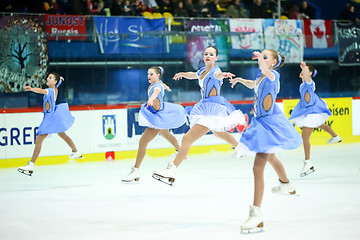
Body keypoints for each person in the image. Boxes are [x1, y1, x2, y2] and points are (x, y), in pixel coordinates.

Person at [229, 50, 302, 233]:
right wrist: (239, 80)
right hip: (261, 122)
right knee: (271, 158)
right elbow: (253, 83)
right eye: (261, 56)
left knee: (257, 166)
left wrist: (261, 59)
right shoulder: (261, 77)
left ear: (274, 62)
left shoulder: (273, 75)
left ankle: (256, 213)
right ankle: (286, 184)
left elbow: (265, 71)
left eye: (266, 56)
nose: (261, 59)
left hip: (268, 124)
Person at [153, 46, 247, 185]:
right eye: (206, 54)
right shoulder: (202, 71)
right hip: (205, 106)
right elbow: (194, 74)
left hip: (211, 108)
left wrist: (224, 75)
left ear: (216, 57)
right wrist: (184, 74)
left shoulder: (216, 70)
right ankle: (240, 148)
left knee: (187, 138)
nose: (208, 56)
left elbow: (218, 75)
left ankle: (172, 170)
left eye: (211, 54)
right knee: (218, 133)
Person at [122, 66, 186, 183]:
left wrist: (151, 98)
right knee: (166, 134)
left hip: (158, 117)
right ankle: (181, 152)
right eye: (148, 74)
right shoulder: (159, 82)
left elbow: (156, 91)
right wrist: (165, 86)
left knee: (143, 142)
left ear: (157, 75)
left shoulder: (156, 86)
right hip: (160, 113)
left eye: (151, 74)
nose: (148, 76)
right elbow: (161, 85)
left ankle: (135, 170)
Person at [18, 73, 82, 176]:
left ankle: (31, 164)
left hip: (50, 118)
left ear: (54, 81)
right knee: (62, 134)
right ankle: (76, 151)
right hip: (53, 116)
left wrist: (31, 89)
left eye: (50, 77)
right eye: (48, 77)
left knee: (39, 139)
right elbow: (59, 82)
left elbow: (41, 91)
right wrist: (61, 79)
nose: (47, 78)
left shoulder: (50, 90)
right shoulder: (55, 87)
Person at [289, 62, 341, 177]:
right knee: (320, 124)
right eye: (302, 69)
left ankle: (308, 162)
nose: (302, 71)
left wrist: (304, 68)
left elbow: (307, 78)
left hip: (311, 112)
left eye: (305, 70)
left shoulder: (309, 83)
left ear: (310, 73)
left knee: (305, 137)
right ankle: (335, 136)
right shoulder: (303, 84)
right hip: (310, 111)